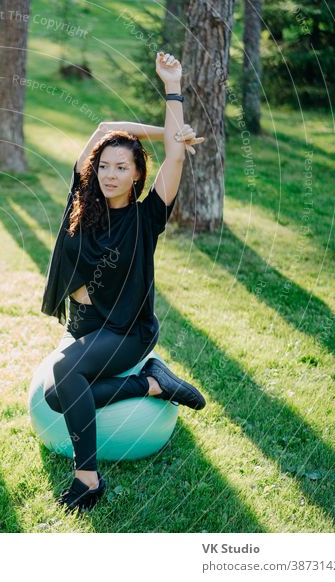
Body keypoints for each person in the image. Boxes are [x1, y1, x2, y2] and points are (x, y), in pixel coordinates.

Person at [40, 52, 207, 514]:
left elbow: (175, 155)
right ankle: (152, 384)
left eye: (121, 168)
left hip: (127, 331)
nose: (110, 174)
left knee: (65, 375)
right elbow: (105, 128)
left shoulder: (147, 215)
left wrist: (172, 86)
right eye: (105, 166)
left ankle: (87, 477)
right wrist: (157, 131)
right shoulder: (83, 200)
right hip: (88, 328)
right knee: (58, 396)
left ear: (138, 175)